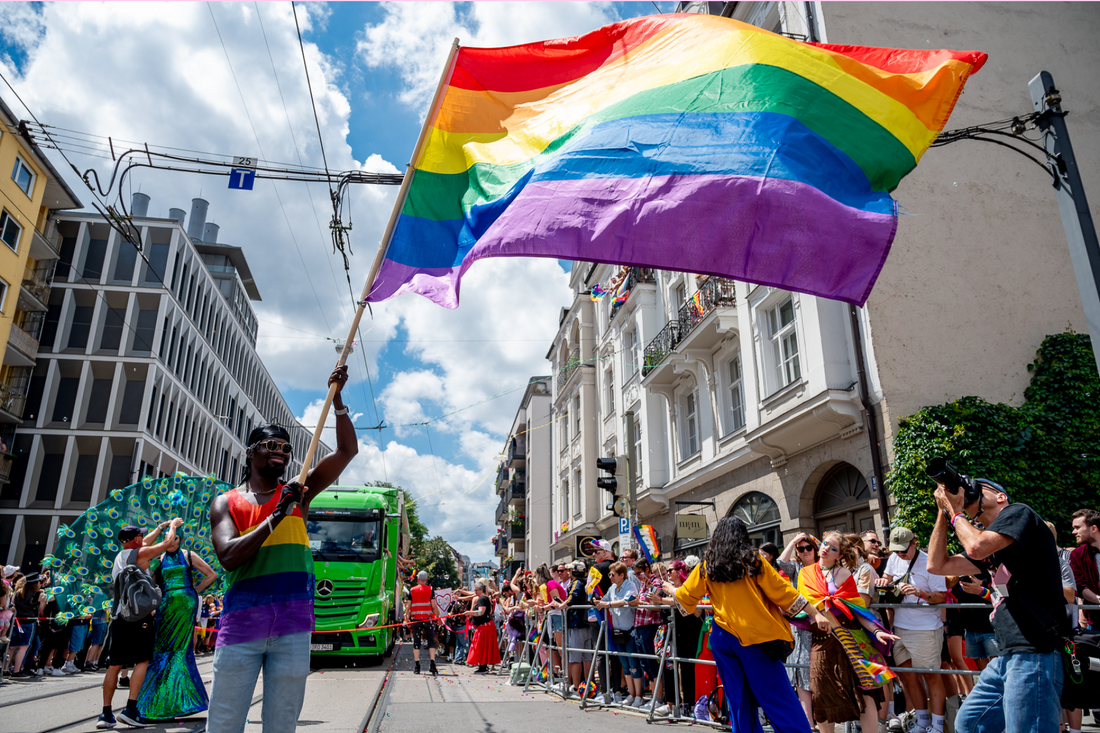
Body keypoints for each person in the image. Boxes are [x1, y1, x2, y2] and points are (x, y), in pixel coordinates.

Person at [206, 366, 357, 733]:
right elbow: (228, 557)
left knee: (281, 725)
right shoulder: (226, 502)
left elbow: (347, 450)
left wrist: (337, 402)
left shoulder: (299, 493)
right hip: (242, 626)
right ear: (251, 452)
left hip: (292, 627)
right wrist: (275, 515)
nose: (281, 453)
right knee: (224, 723)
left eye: (286, 448)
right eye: (271, 445)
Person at [927, 476, 1067, 733]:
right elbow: (936, 565)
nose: (969, 493)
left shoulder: (1019, 512)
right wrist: (943, 512)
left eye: (977, 489)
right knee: (970, 724)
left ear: (1000, 496)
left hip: (1035, 651)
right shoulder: (991, 548)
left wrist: (957, 512)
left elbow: (977, 546)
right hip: (1008, 655)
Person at [666, 515, 831, 733]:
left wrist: (670, 590)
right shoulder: (753, 560)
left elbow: (687, 597)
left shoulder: (708, 563)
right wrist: (814, 613)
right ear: (742, 536)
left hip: (722, 638)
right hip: (754, 636)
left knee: (738, 699)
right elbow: (782, 592)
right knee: (778, 696)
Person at [799, 532, 899, 733]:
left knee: (864, 689)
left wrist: (876, 631)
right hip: (821, 639)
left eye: (833, 548)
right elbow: (803, 605)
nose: (826, 548)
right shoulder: (806, 574)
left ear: (840, 555)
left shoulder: (843, 574)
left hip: (849, 637)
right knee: (821, 693)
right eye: (825, 543)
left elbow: (857, 609)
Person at [99, 519, 182, 728]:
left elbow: (144, 543)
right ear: (135, 539)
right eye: (140, 537)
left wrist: (159, 528)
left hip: (119, 616)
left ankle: (105, 714)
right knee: (142, 661)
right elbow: (166, 544)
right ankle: (131, 709)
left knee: (115, 664)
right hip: (139, 618)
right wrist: (172, 527)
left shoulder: (121, 556)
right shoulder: (142, 555)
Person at [136, 528, 217, 720]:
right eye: (167, 539)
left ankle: (183, 702)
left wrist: (193, 591)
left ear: (180, 540)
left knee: (181, 650)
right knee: (161, 650)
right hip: (166, 605)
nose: (171, 541)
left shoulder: (189, 555)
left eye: (174, 538)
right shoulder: (159, 558)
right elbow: (146, 564)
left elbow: (211, 575)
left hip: (185, 605)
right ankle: (157, 701)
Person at [877, 526, 948, 733]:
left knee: (931, 675)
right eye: (896, 550)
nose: (900, 554)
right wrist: (883, 583)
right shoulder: (894, 558)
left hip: (925, 628)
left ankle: (937, 725)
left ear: (914, 543)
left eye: (903, 550)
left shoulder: (929, 562)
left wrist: (919, 593)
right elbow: (887, 583)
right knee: (908, 677)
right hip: (900, 627)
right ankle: (922, 722)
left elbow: (942, 597)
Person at [778, 532, 820, 725]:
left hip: (822, 625)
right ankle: (808, 722)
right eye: (800, 549)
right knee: (800, 671)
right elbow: (780, 561)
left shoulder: (823, 567)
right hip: (801, 626)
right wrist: (793, 541)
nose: (804, 551)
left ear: (815, 549)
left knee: (817, 672)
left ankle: (819, 720)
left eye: (808, 547)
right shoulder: (796, 568)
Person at [595, 561, 643, 707]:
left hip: (629, 630)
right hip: (617, 631)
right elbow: (604, 600)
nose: (610, 577)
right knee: (625, 664)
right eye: (609, 574)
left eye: (612, 574)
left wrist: (607, 604)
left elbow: (626, 600)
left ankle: (639, 696)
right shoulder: (612, 588)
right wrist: (597, 600)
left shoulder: (630, 585)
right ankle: (631, 694)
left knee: (633, 664)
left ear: (622, 575)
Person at [10, 572, 46, 677]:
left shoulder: (17, 593)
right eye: (39, 582)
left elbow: (13, 606)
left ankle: (6, 668)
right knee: (23, 647)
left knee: (12, 647)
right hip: (28, 623)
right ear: (35, 583)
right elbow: (43, 608)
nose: (40, 584)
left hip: (16, 622)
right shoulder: (37, 595)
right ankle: (17, 670)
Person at [1069, 509, 1100, 631]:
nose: (1073, 532)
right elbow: (1079, 587)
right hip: (1096, 621)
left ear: (1093, 528)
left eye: (1077, 527)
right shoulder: (1077, 555)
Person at [408, 570, 440, 676]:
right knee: (431, 641)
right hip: (428, 619)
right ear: (426, 579)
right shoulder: (430, 590)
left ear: (417, 579)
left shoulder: (412, 590)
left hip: (416, 620)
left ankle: (417, 666)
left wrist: (407, 618)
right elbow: (434, 606)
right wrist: (438, 617)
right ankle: (432, 664)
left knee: (416, 642)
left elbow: (408, 606)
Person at [465, 581, 501, 674]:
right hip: (484, 626)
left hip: (484, 626)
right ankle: (482, 665)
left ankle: (483, 666)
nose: (475, 592)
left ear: (481, 590)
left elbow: (481, 612)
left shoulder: (482, 599)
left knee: (482, 646)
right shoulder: (483, 599)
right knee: (481, 646)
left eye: (476, 590)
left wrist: (469, 613)